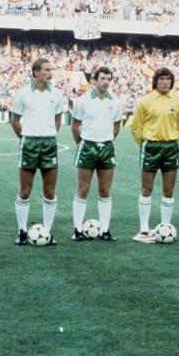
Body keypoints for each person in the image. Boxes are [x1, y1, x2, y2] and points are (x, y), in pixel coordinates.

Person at [130, 67, 179, 243]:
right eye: (161, 79)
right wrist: (145, 143)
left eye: (168, 79)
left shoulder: (178, 102)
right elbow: (136, 127)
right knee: (146, 189)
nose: (164, 82)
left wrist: (171, 139)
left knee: (168, 190)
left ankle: (165, 226)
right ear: (156, 81)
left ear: (172, 81)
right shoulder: (145, 101)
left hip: (170, 147)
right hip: (151, 147)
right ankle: (144, 230)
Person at [12, 58, 64, 246]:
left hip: (49, 144)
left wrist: (49, 134)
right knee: (25, 191)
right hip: (29, 144)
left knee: (50, 191)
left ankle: (48, 232)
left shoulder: (57, 94)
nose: (50, 73)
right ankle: (22, 231)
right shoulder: (23, 94)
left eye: (51, 69)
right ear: (35, 72)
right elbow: (15, 121)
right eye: (46, 70)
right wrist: (27, 138)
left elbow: (58, 119)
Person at [71, 66, 122, 241]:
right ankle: (77, 229)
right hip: (87, 147)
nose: (106, 82)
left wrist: (107, 139)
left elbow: (117, 125)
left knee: (105, 190)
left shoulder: (115, 101)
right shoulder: (83, 100)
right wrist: (82, 143)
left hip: (107, 147)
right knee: (83, 189)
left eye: (109, 78)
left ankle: (105, 230)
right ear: (94, 80)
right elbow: (75, 125)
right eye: (102, 78)